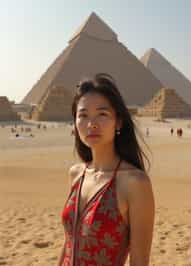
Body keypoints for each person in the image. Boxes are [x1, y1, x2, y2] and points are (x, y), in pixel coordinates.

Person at [59, 73, 155, 266]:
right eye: (83, 115)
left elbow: (139, 261)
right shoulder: (76, 173)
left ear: (118, 122)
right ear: (75, 123)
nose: (91, 124)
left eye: (102, 114)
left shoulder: (135, 183)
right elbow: (68, 242)